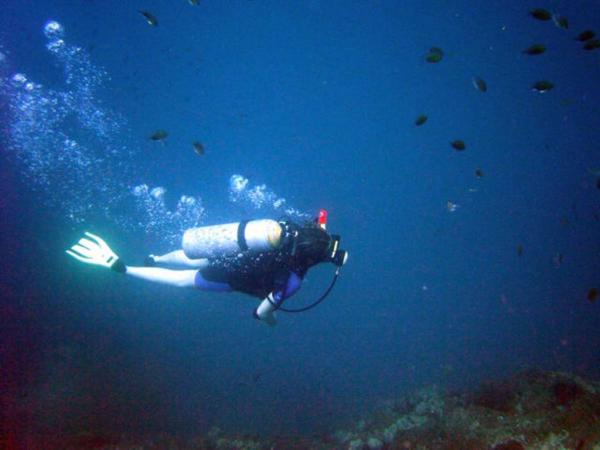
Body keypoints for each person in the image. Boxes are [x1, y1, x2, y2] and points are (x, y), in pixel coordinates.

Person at [66, 211, 348, 326]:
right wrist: (270, 321)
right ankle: (123, 268)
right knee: (182, 280)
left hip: (229, 248)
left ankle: (157, 257)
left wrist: (325, 236)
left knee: (192, 257)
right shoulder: (293, 281)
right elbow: (262, 311)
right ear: (315, 259)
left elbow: (318, 226)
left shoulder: (289, 230)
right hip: (229, 278)